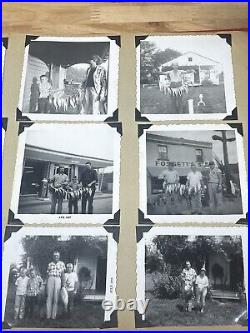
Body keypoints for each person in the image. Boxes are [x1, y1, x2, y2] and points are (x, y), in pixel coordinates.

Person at [46, 251, 66, 320]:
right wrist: (46, 284)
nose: (56, 257)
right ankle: (48, 316)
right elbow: (47, 274)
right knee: (49, 297)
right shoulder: (50, 264)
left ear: (59, 256)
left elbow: (63, 275)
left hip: (58, 279)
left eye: (57, 255)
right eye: (55, 255)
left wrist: (63, 285)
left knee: (56, 298)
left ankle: (53, 316)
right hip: (50, 278)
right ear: (53, 256)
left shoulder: (62, 264)